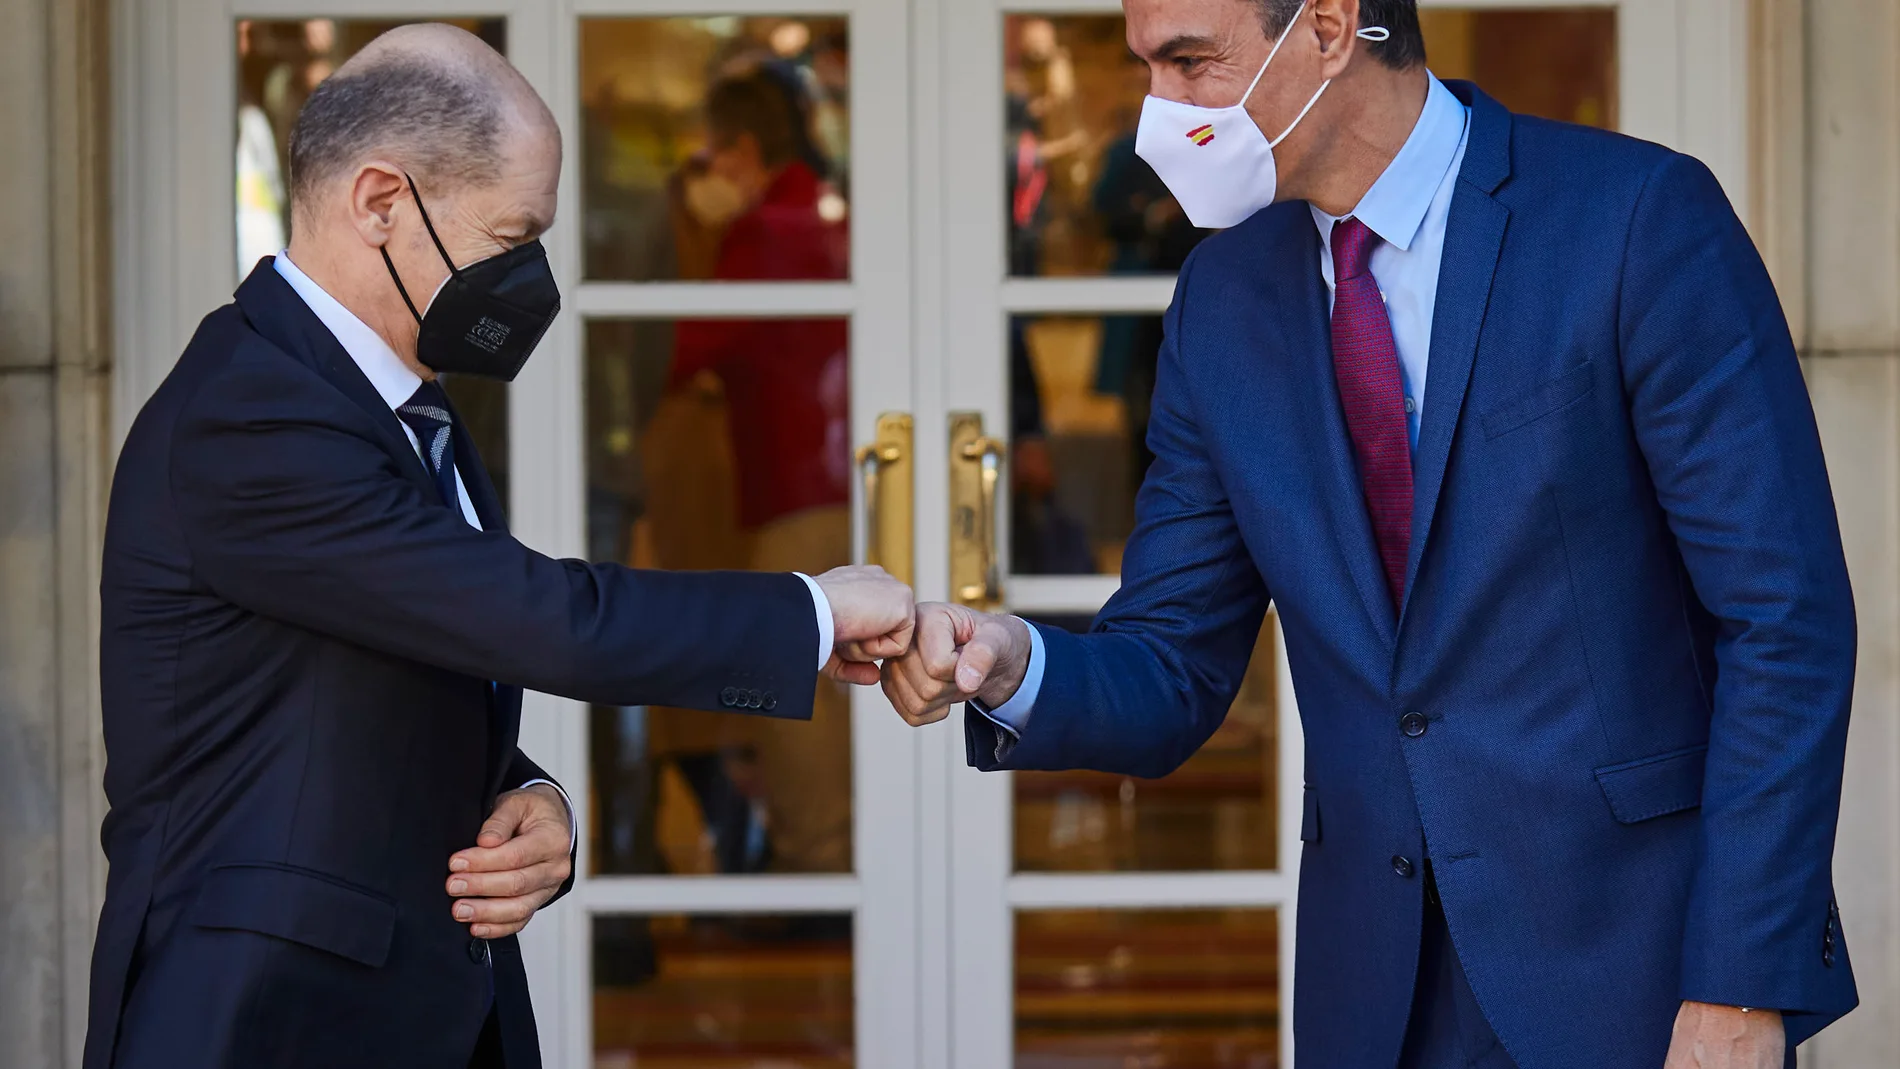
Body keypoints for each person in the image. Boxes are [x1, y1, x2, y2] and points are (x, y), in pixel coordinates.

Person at [882, 2, 1858, 1067]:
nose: (1156, 110)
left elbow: (1782, 622)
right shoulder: (1222, 299)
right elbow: (1168, 662)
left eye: (1190, 62)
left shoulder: (1633, 219)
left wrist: (1741, 982)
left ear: (1332, 26)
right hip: (1372, 993)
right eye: (1145, 67)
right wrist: (1007, 660)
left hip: (1636, 977)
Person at [88, 25, 912, 1069]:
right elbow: (540, 618)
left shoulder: (382, 398)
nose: (527, 278)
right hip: (268, 1020)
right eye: (510, 237)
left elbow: (378, 670)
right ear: (381, 202)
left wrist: (531, 799)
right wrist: (813, 613)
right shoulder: (252, 416)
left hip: (401, 1006)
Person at [667, 69, 854, 878]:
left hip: (793, 479)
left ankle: (819, 865)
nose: (708, 171)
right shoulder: (826, 213)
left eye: (712, 153)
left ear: (743, 148)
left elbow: (684, 351)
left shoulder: (763, 232)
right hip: (850, 472)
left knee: (799, 690)